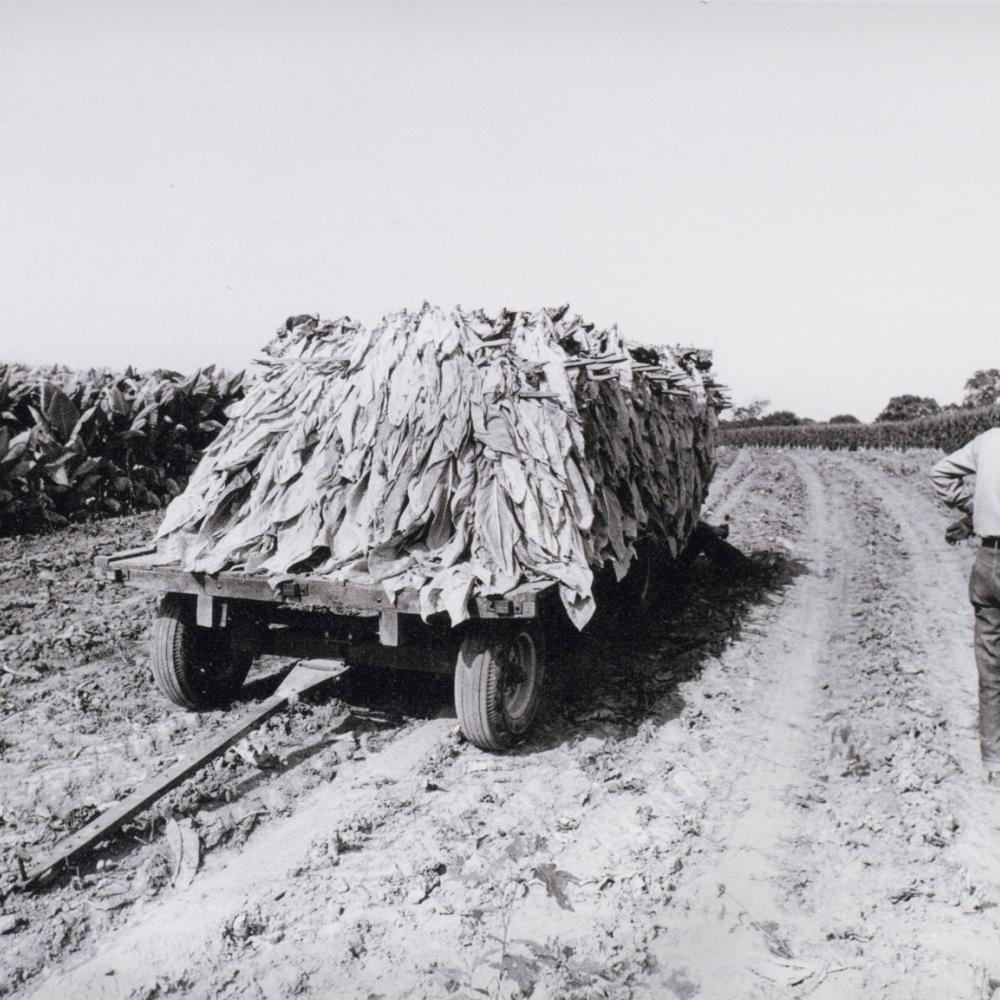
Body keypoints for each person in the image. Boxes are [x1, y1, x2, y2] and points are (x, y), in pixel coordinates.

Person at [931, 427, 1000, 785]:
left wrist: (976, 510)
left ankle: (993, 759)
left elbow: (940, 472)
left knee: (991, 666)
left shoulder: (988, 441)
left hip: (990, 561)